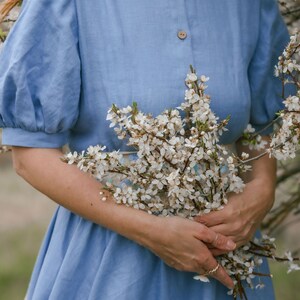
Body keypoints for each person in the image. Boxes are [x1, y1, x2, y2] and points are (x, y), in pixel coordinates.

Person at [0, 0, 290, 299]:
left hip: (225, 256)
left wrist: (262, 189)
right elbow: (31, 154)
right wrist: (149, 230)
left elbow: (262, 123)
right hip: (112, 261)